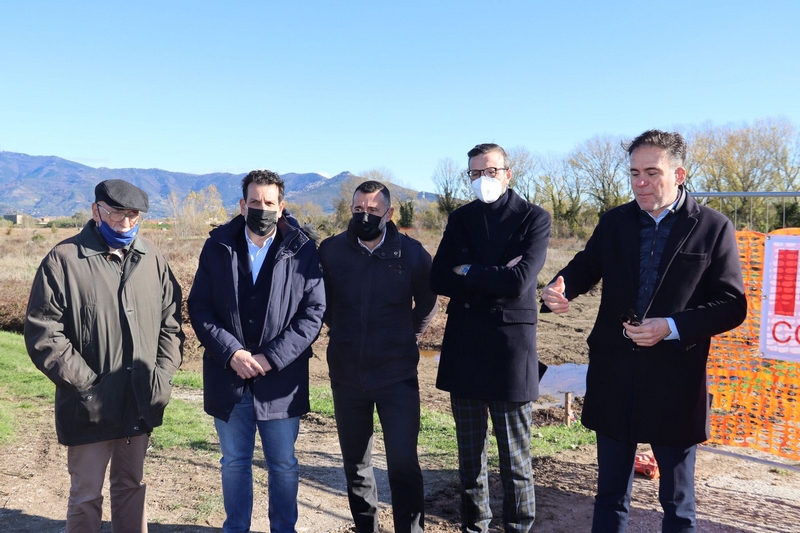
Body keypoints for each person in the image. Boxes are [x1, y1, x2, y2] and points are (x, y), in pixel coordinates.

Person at [541, 129, 747, 533]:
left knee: (678, 504)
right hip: (614, 375)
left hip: (676, 381)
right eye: (634, 173)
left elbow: (732, 305)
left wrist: (670, 327)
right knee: (609, 497)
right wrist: (559, 287)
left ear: (679, 175)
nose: (641, 183)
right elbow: (585, 266)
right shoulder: (614, 222)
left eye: (652, 173)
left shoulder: (712, 227)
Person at [24, 179, 184, 533]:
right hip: (89, 406)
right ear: (96, 211)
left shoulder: (153, 259)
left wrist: (161, 377)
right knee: (85, 496)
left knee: (132, 488)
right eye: (115, 214)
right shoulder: (64, 260)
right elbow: (43, 333)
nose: (125, 224)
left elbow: (171, 324)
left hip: (140, 400)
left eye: (133, 215)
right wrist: (88, 386)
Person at [187, 169, 325, 533]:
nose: (261, 208)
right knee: (234, 462)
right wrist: (231, 352)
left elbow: (313, 313)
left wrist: (271, 358)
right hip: (228, 376)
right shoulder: (218, 246)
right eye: (254, 202)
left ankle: (283, 529)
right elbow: (199, 306)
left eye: (268, 202)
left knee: (283, 465)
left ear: (281, 207)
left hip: (281, 380)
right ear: (242, 205)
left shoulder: (302, 249)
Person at [430, 143, 551, 533]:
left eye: (491, 171)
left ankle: (518, 527)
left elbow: (519, 282)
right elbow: (439, 277)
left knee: (515, 459)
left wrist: (468, 271)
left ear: (508, 173)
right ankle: (475, 526)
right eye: (476, 173)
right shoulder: (461, 218)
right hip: (465, 347)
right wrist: (494, 274)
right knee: (469, 458)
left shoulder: (534, 218)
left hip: (509, 351)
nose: (484, 179)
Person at [318, 180, 438, 533]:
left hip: (396, 376)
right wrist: (343, 330)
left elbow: (428, 302)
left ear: (389, 213)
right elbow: (321, 302)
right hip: (346, 375)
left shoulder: (411, 253)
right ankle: (366, 528)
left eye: (373, 210)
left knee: (403, 464)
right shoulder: (331, 251)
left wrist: (405, 336)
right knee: (356, 466)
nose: (365, 215)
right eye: (358, 209)